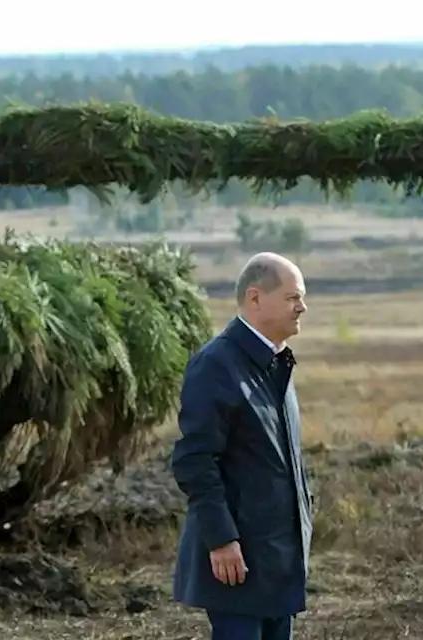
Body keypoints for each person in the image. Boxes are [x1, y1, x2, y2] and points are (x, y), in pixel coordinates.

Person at [170, 252, 315, 640]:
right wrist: (221, 539)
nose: (302, 307)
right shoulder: (217, 365)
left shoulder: (276, 364)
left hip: (277, 562)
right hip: (237, 563)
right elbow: (195, 460)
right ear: (255, 298)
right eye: (292, 298)